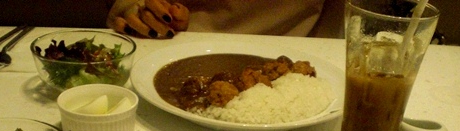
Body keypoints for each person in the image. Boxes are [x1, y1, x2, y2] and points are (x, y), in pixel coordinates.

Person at [107, 0, 344, 39]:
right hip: (178, 44)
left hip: (294, 55)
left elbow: (345, 20)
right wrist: (144, 14)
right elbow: (132, 6)